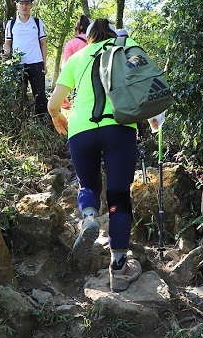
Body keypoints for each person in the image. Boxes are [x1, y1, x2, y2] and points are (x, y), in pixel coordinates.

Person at [47, 18, 142, 292]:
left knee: (88, 184)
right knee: (119, 198)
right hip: (119, 127)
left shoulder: (77, 57)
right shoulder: (125, 46)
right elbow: (145, 82)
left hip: (80, 130)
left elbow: (54, 103)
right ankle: (119, 268)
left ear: (87, 37)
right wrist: (154, 119)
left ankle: (88, 217)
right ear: (113, 33)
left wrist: (59, 119)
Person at [2, 0, 48, 118]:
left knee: (40, 96)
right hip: (18, 65)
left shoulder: (38, 23)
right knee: (19, 96)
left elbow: (43, 44)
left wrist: (45, 63)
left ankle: (42, 124)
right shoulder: (11, 24)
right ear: (17, 6)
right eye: (21, 3)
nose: (24, 6)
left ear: (31, 6)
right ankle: (20, 124)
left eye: (27, 4)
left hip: (36, 63)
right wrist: (5, 58)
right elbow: (7, 43)